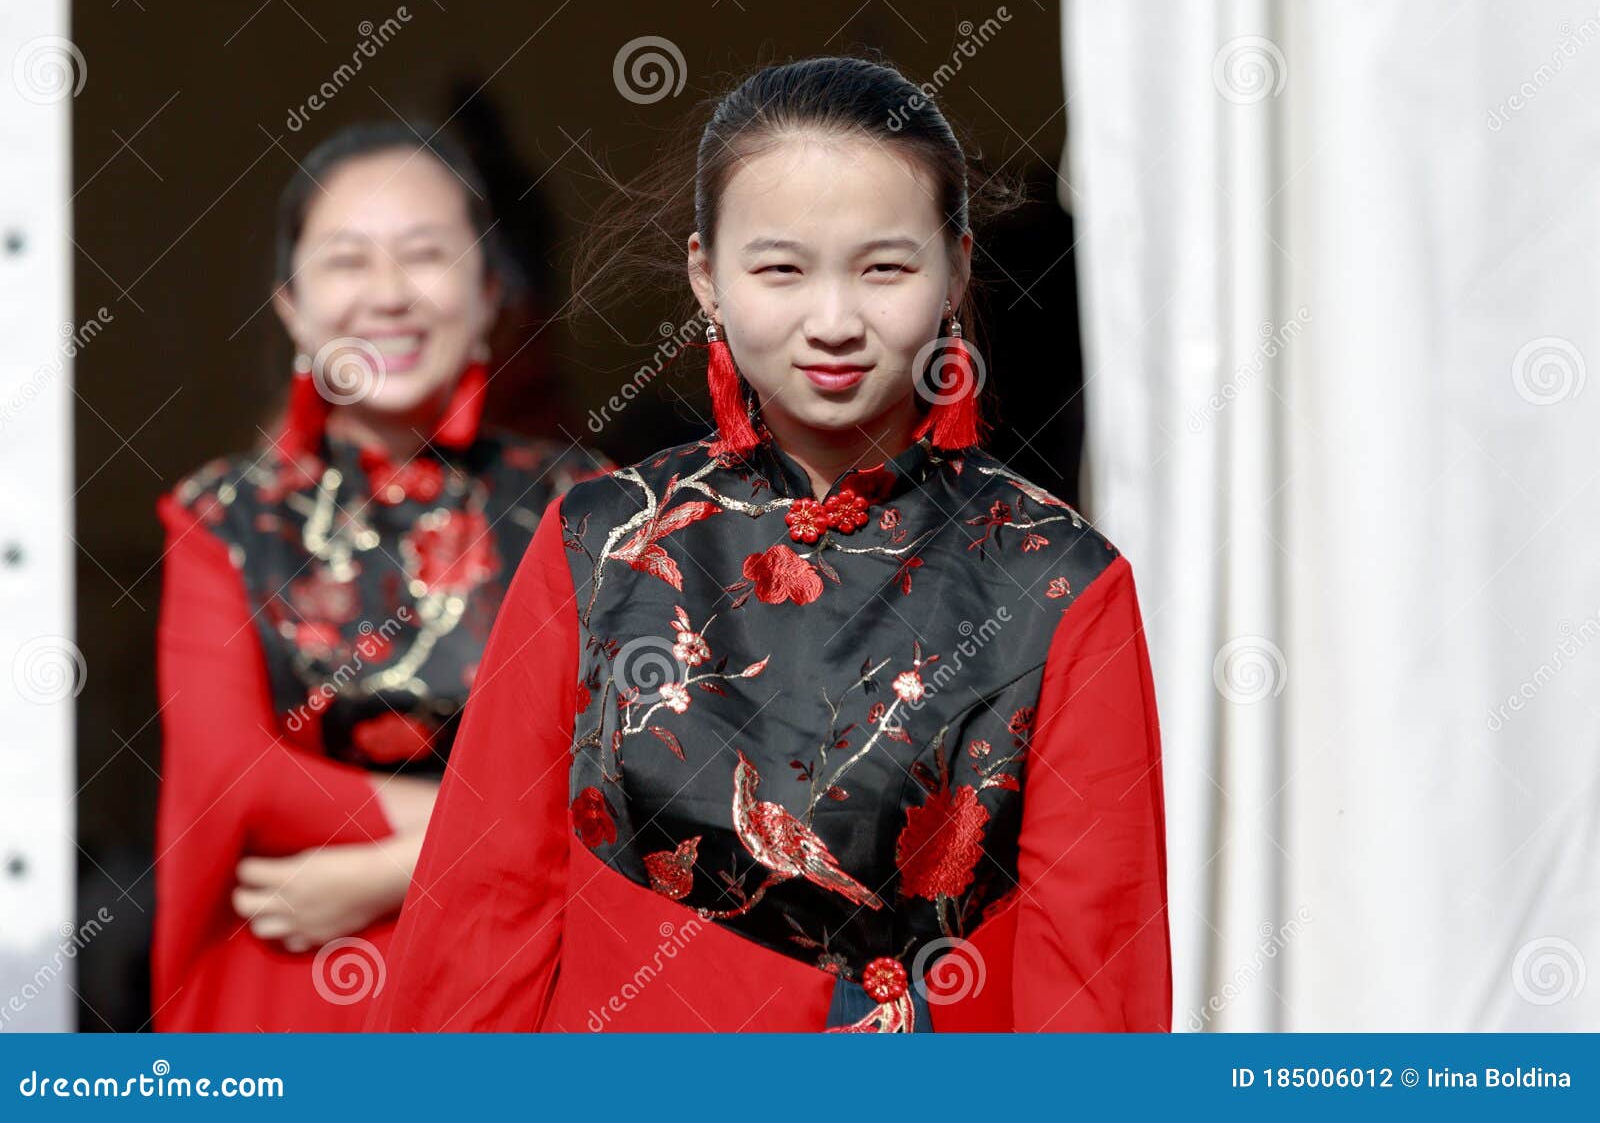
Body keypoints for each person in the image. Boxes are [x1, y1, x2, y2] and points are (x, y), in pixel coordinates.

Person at [368, 57, 1171, 1033]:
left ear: (957, 269)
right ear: (706, 275)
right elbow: (484, 913)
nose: (832, 320)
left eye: (884, 266)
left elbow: (1092, 975)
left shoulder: (1057, 579)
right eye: (780, 267)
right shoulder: (602, 541)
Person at [153, 121, 608, 1031]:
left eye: (427, 255)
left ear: (488, 294)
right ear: (292, 304)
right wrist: (490, 829)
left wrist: (389, 866)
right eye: (348, 260)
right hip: (286, 987)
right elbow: (234, 780)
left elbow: (615, 783)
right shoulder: (222, 517)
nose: (389, 295)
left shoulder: (587, 505)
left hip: (513, 983)